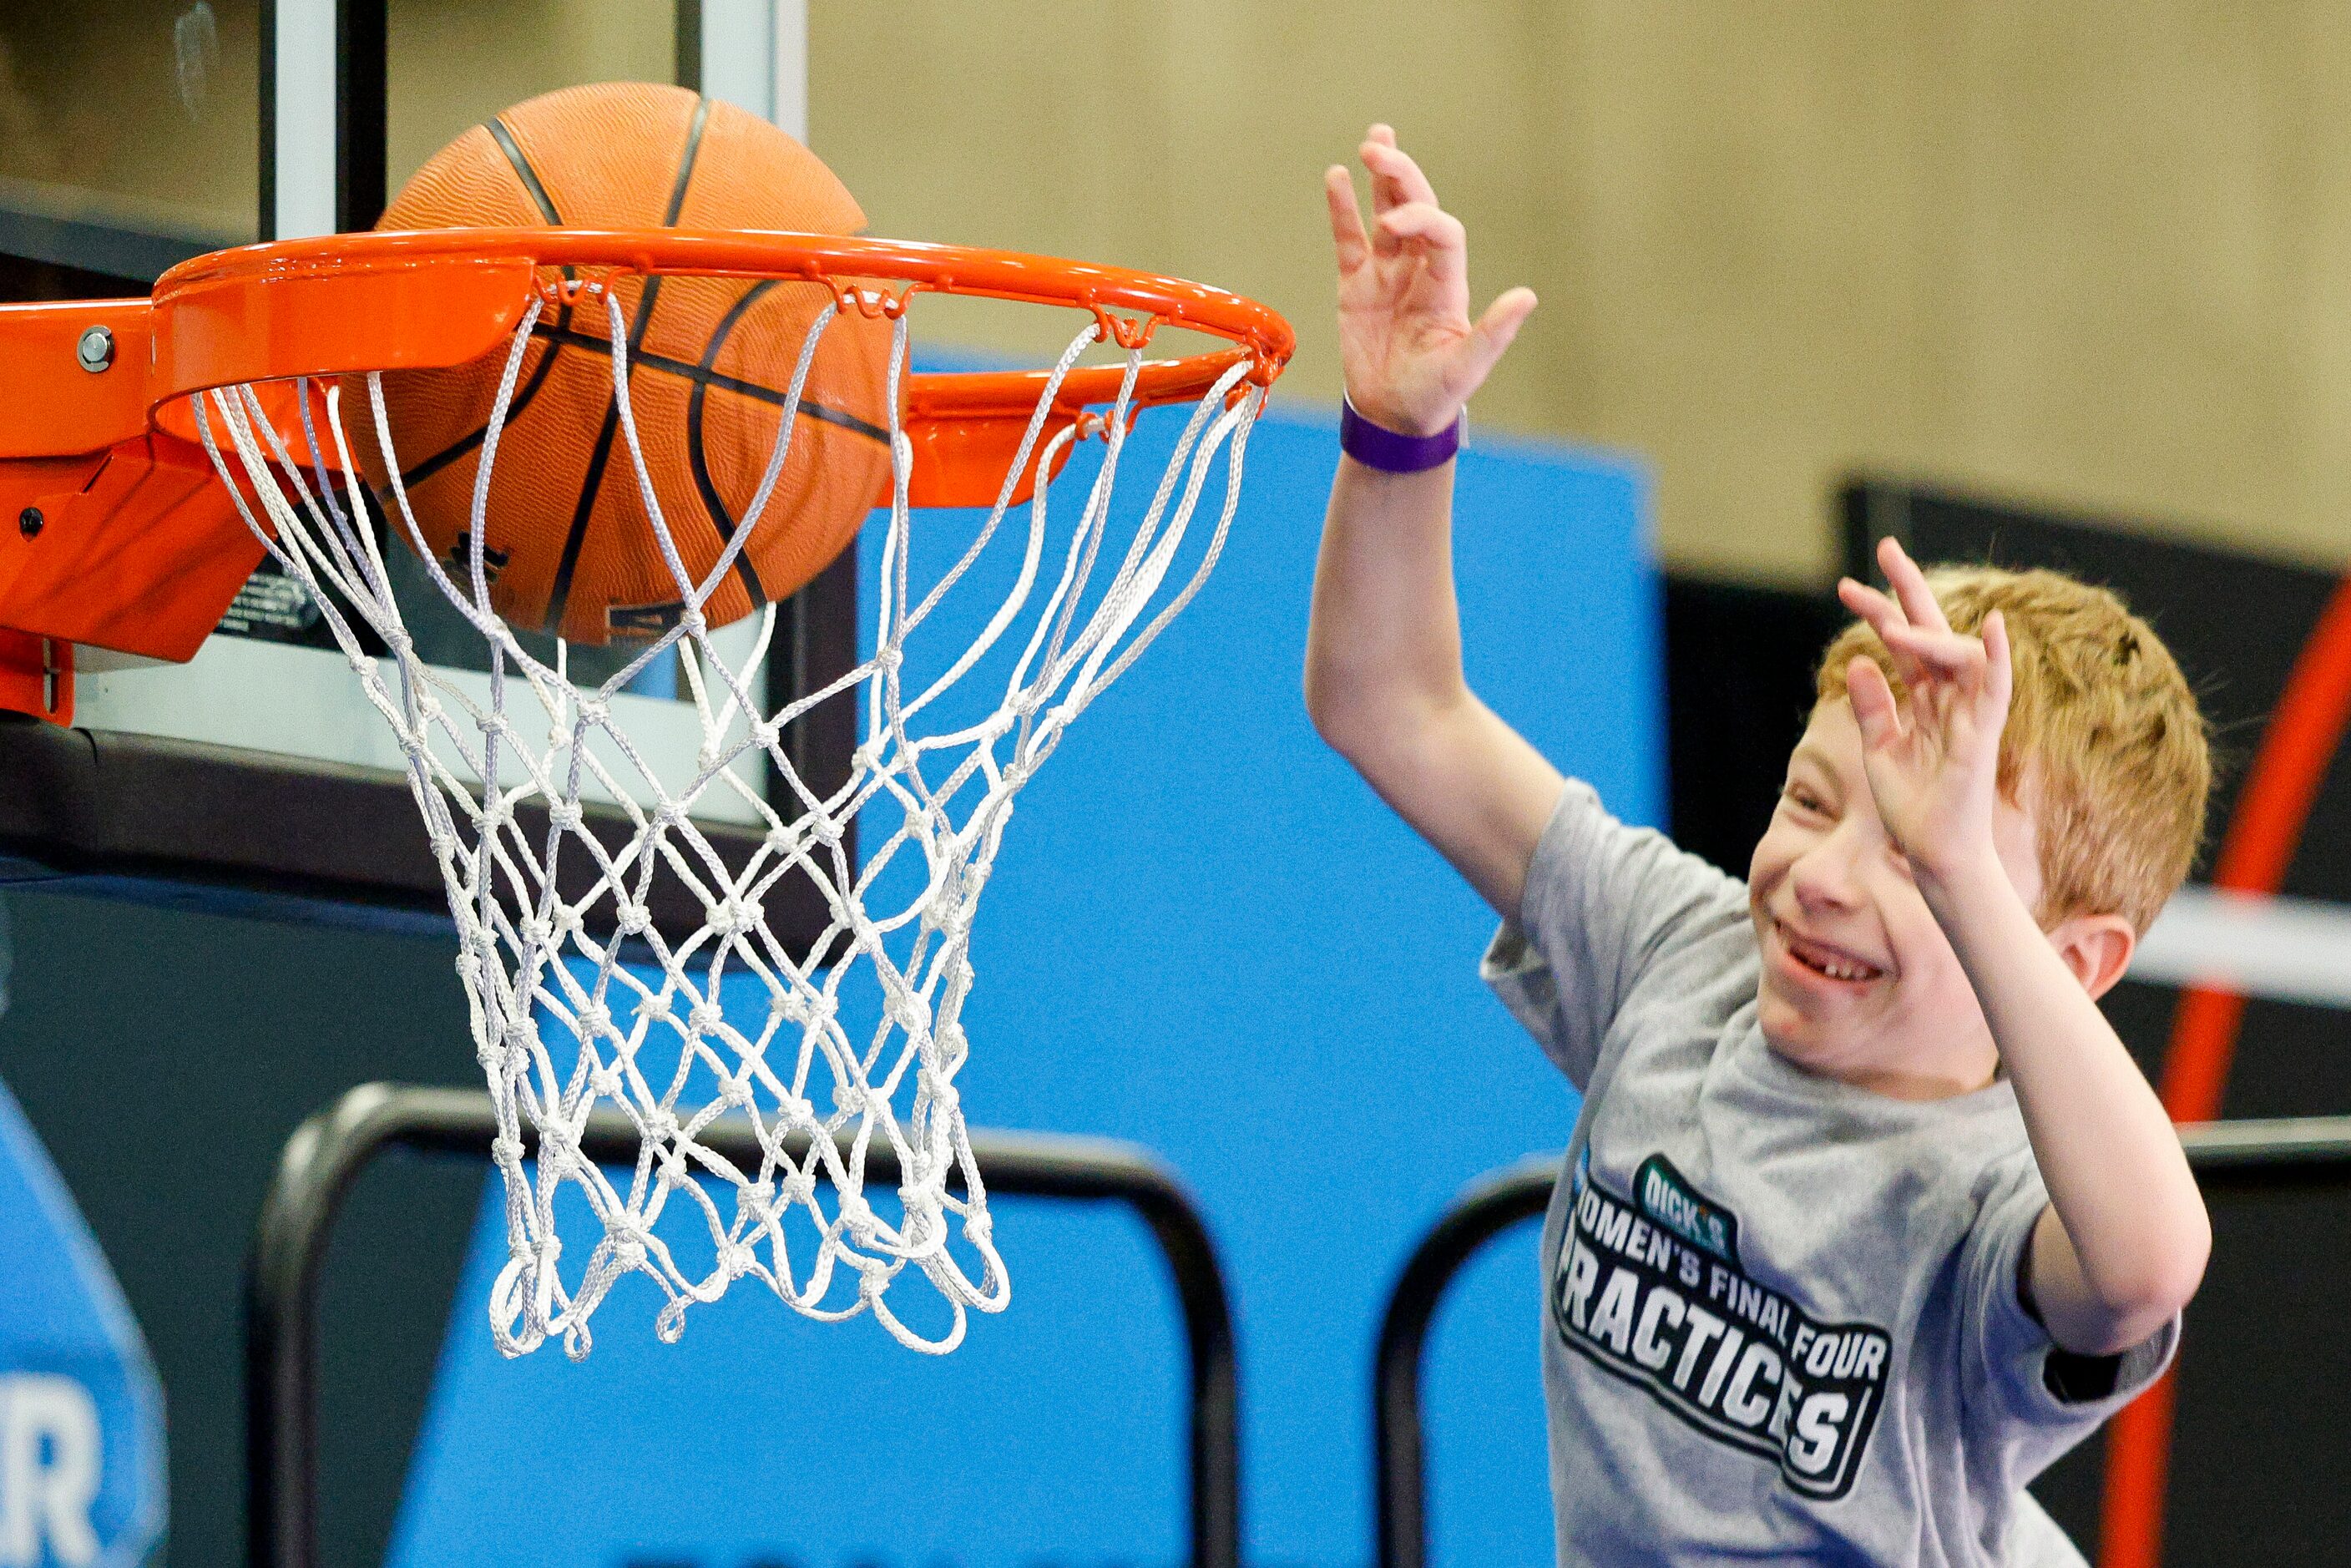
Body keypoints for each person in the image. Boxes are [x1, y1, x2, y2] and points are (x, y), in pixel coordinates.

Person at [1309, 125, 2213, 1564]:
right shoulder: (1684, 955)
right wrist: (1400, 434)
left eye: (1920, 860)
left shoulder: (1989, 1210)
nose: (1829, 874)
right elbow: (1390, 704)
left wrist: (1964, 872)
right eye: (1810, 800)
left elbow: (2153, 1259)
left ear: (2069, 956)